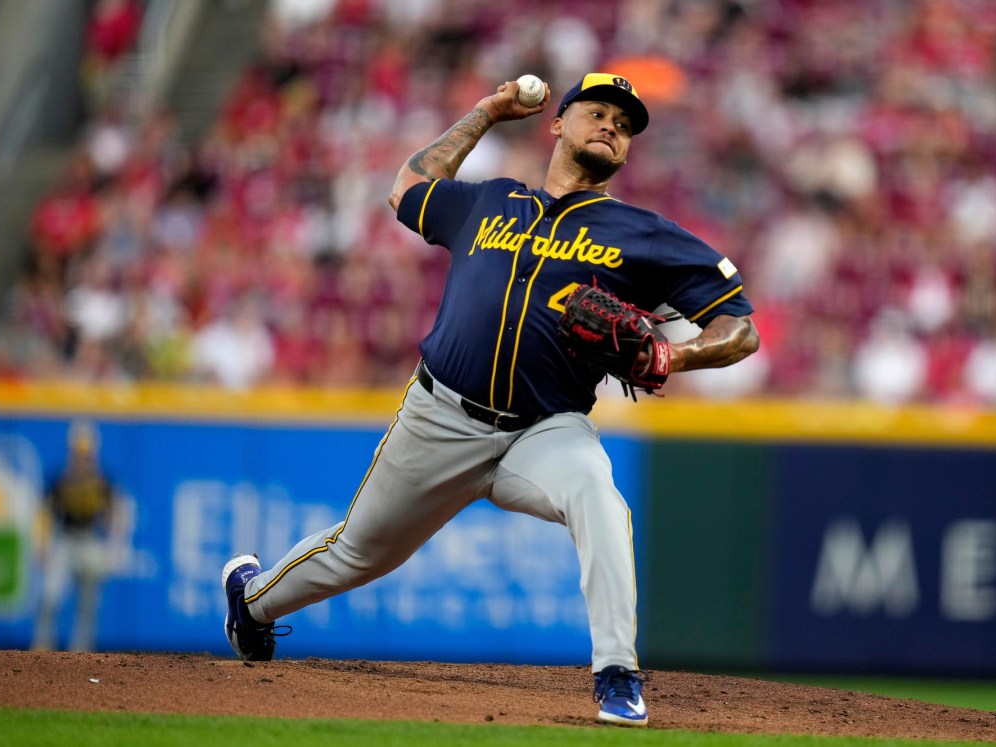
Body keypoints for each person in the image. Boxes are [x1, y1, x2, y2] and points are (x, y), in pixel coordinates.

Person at [222, 73, 759, 727]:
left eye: (625, 123)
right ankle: (251, 603)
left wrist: (678, 353)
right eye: (598, 112)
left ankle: (617, 673)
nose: (613, 125)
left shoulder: (643, 235)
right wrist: (484, 113)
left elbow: (740, 328)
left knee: (600, 498)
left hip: (547, 429)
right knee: (355, 554)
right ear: (558, 124)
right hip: (440, 416)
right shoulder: (492, 202)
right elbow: (406, 188)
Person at [32, 421, 120, 652]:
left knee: (89, 603)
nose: (82, 458)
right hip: (65, 540)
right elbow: (45, 514)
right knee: (50, 596)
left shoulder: (102, 480)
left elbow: (114, 514)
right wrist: (41, 547)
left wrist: (113, 547)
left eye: (86, 453)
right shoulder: (60, 479)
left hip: (90, 540)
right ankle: (42, 647)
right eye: (79, 453)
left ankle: (81, 653)